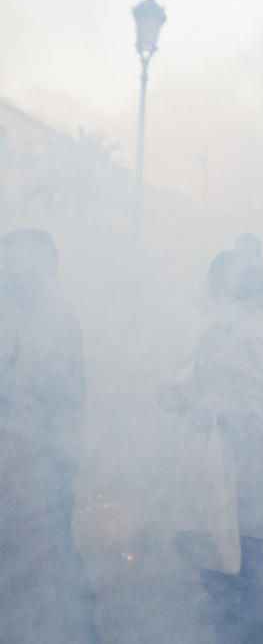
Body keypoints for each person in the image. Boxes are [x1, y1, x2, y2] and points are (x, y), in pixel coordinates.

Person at [161, 238, 263, 643]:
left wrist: (194, 400)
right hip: (236, 487)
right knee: (233, 590)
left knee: (241, 596)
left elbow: (258, 415)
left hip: (247, 488)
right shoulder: (234, 330)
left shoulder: (251, 336)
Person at [0, 229, 97, 643]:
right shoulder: (34, 316)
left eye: (14, 264)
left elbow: (38, 395)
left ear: (40, 266)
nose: (6, 274)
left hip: (40, 466)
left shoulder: (52, 320)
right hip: (32, 464)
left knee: (48, 564)